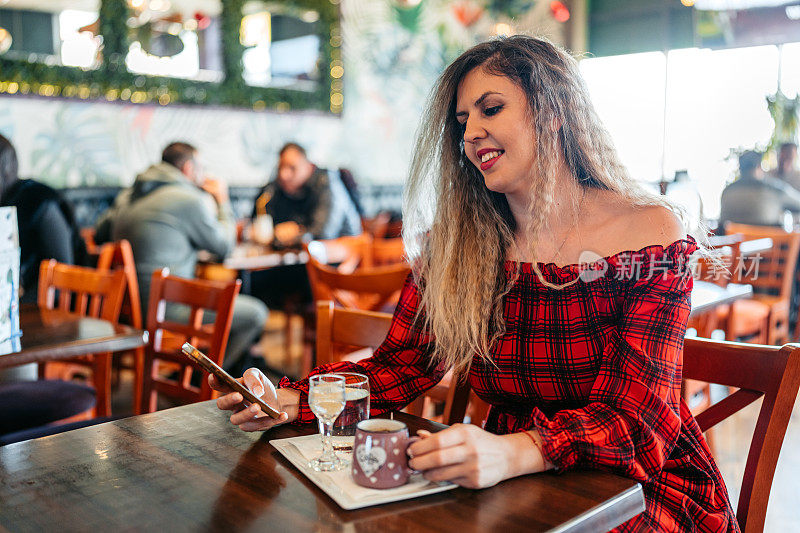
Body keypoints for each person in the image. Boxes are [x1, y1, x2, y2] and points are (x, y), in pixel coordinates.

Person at [211, 36, 738, 531]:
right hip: (505, 477)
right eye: (462, 121)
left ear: (554, 112)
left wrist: (512, 452)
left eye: (491, 109)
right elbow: (402, 367)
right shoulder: (460, 244)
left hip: (636, 486)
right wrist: (291, 399)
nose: (470, 135)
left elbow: (639, 422)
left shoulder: (649, 230)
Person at [95, 142, 268, 374]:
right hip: (167, 308)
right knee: (256, 313)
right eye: (201, 167)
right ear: (188, 168)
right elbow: (224, 246)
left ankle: (191, 373)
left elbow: (99, 234)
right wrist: (222, 201)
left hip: (126, 308)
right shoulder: (188, 199)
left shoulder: (128, 195)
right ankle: (204, 379)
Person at [0, 134, 86, 303]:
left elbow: (62, 274)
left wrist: (16, 305)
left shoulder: (41, 203)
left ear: (7, 170)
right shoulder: (5, 204)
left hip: (58, 308)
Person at [251, 143, 361, 246]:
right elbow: (262, 225)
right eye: (280, 168)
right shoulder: (276, 189)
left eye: (292, 168)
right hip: (303, 258)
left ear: (309, 166)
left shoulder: (327, 183)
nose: (283, 175)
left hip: (343, 259)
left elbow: (323, 235)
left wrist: (297, 233)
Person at [719, 150, 800, 229]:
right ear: (759, 167)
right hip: (771, 241)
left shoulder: (727, 192)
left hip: (731, 242)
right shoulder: (774, 190)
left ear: (740, 169)